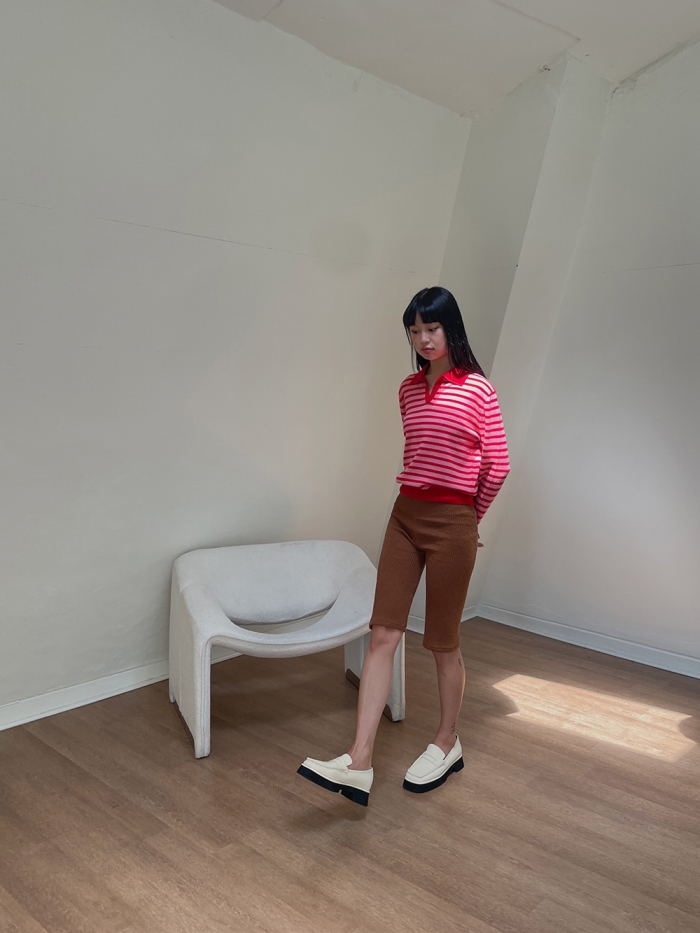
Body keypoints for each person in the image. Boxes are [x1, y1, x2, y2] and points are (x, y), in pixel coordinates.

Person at [297, 286, 510, 806]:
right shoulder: (408, 390)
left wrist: (469, 521)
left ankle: (447, 741)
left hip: (454, 521)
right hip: (405, 516)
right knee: (383, 632)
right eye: (415, 331)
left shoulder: (478, 389)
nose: (423, 339)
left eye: (431, 328)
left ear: (451, 328)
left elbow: (497, 465)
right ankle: (359, 760)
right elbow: (420, 452)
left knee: (442, 642)